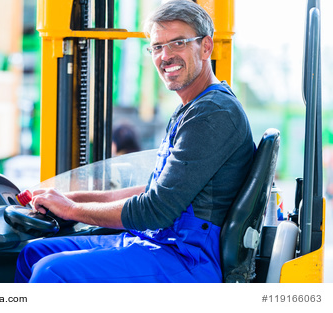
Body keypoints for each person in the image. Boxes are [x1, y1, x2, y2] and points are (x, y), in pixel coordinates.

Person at [15, 0, 254, 283]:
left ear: (206, 47)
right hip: (161, 243)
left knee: (51, 271)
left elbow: (155, 209)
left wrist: (73, 211)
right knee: (33, 254)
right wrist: (71, 199)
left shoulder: (213, 113)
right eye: (157, 47)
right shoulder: (191, 107)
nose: (165, 56)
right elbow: (155, 191)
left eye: (177, 43)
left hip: (188, 259)